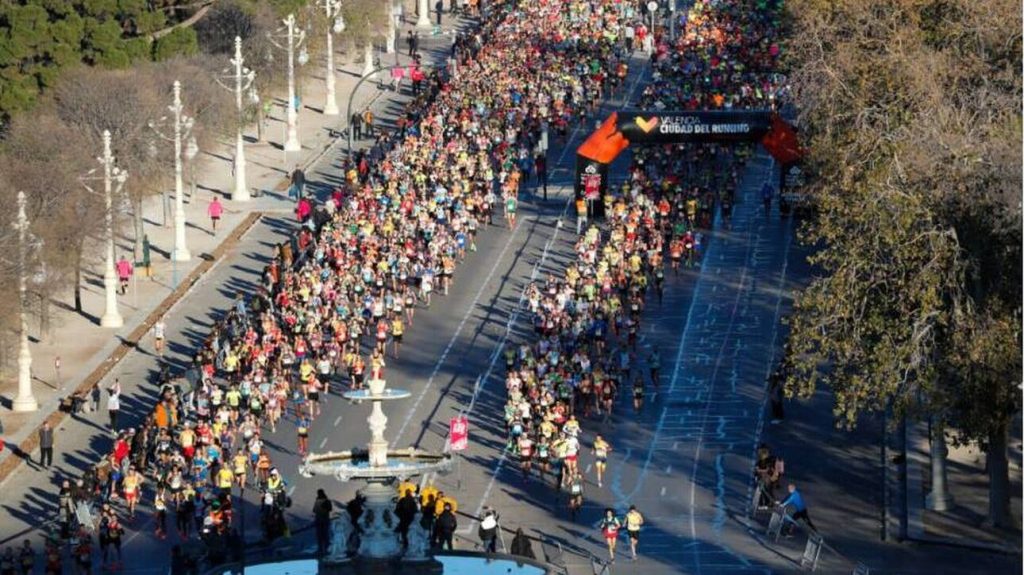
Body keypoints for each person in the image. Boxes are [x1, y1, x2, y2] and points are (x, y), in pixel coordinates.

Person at [313, 489, 333, 556]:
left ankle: (321, 549)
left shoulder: (318, 501)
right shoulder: (326, 500)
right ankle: (326, 549)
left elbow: (314, 510)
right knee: (325, 535)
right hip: (324, 520)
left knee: (320, 536)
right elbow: (330, 509)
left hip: (319, 520)